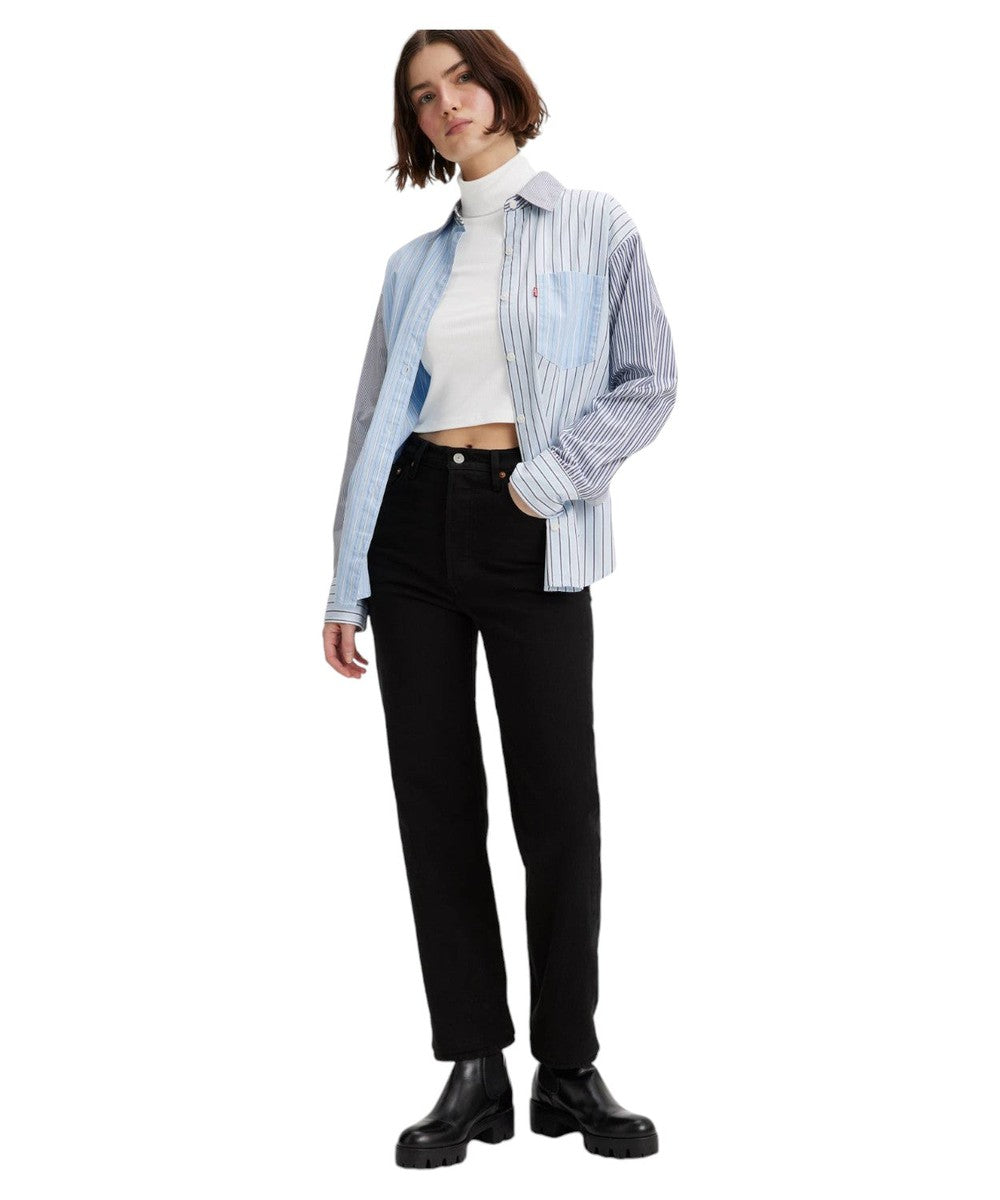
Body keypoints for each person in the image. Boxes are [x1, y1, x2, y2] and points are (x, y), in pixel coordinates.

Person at [322, 29, 677, 1168]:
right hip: (411, 532)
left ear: (503, 85)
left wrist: (546, 482)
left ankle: (567, 1067)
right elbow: (374, 420)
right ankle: (473, 1067)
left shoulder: (595, 225)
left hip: (533, 526)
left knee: (557, 804)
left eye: (460, 80)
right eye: (423, 97)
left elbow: (649, 382)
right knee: (435, 802)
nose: (446, 105)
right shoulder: (409, 268)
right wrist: (344, 578)